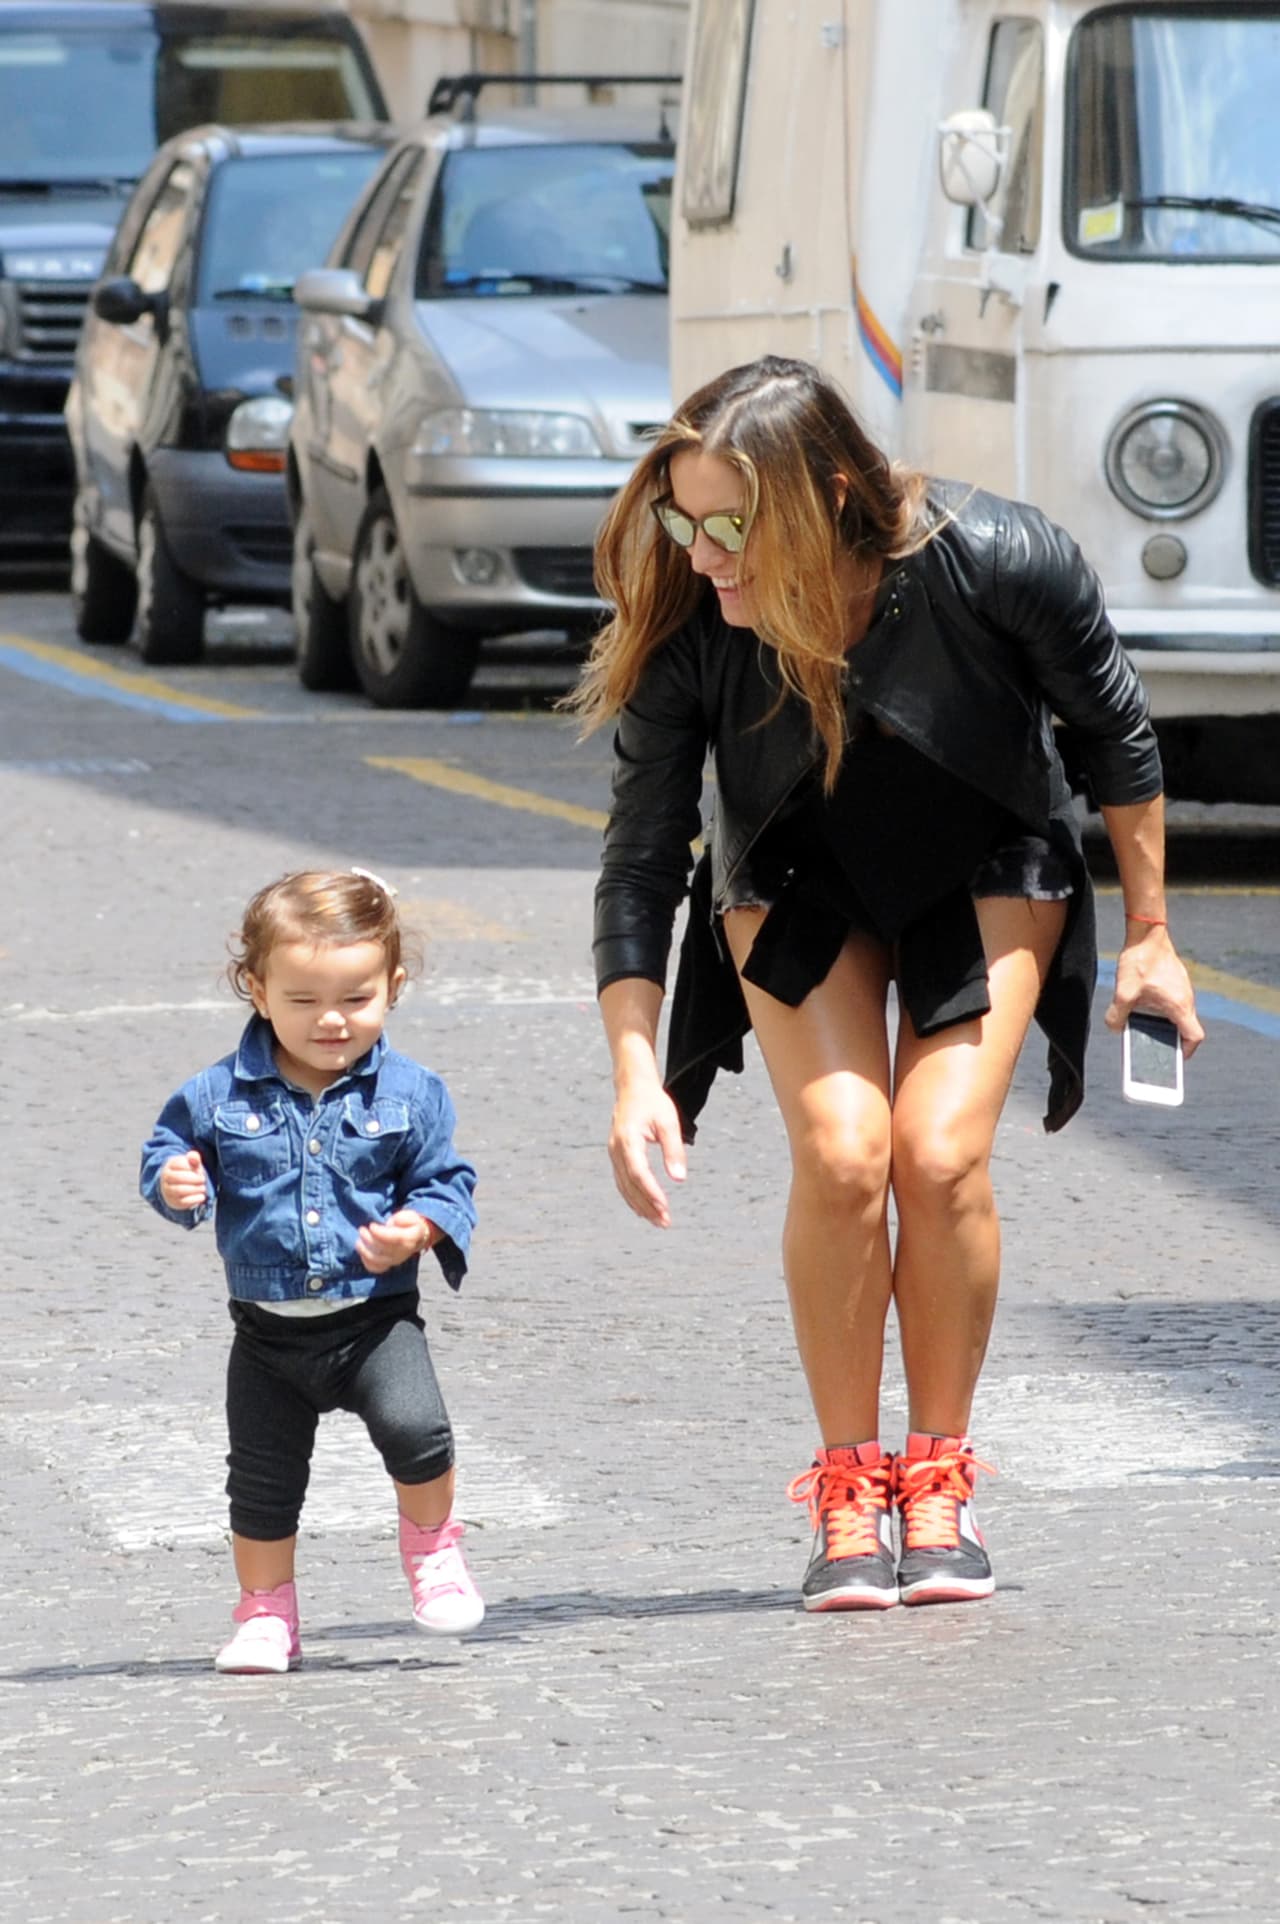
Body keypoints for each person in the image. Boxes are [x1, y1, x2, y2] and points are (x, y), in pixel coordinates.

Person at [570, 355, 1203, 1613]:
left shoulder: (1001, 559)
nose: (701, 555)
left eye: (730, 526)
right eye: (680, 522)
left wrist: (1148, 930)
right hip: (794, 882)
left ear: (828, 497)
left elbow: (1114, 739)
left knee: (938, 1151)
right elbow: (642, 855)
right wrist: (634, 1068)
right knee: (847, 1153)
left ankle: (940, 1474)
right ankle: (849, 1482)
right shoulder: (694, 628)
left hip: (982, 857)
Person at [140, 869, 481, 1673]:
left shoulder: (413, 1093)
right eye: (303, 1001)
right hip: (265, 1338)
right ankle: (265, 1615)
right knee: (261, 1483)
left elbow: (447, 1181)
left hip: (375, 1322)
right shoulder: (216, 1092)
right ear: (255, 989)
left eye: (356, 998)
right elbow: (169, 1152)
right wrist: (175, 1182)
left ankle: (433, 1551)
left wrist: (420, 1227)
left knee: (418, 1431)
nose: (331, 1020)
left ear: (393, 987)